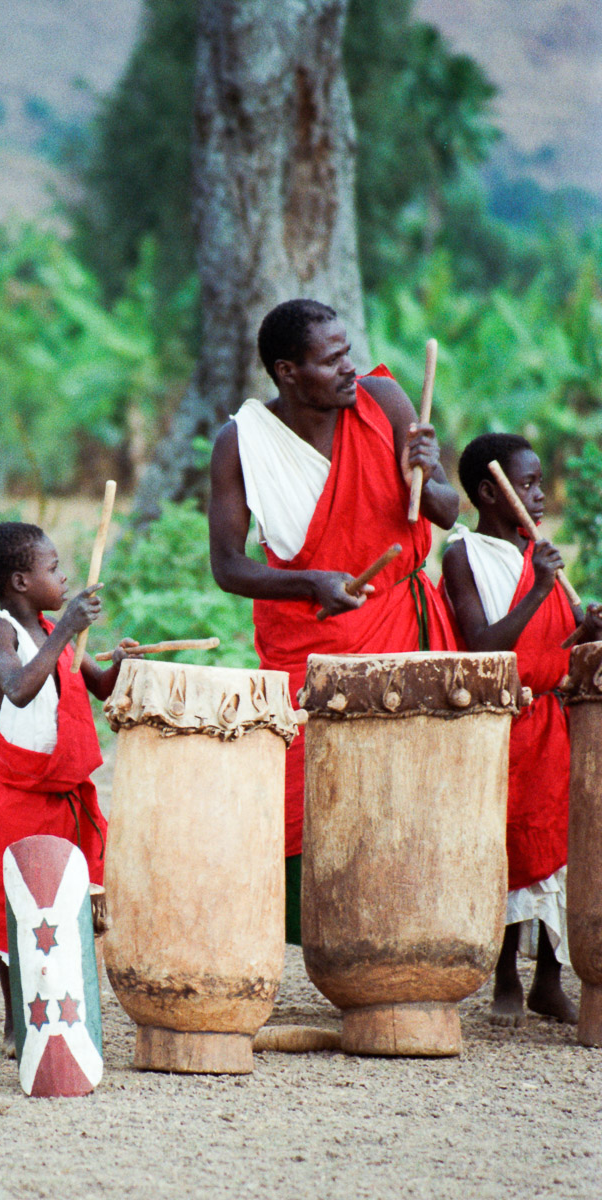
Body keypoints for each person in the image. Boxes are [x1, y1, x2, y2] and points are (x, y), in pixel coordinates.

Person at [208, 298, 459, 942]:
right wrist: (307, 582)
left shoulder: (386, 400)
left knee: (407, 790)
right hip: (308, 641)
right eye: (331, 361)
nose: (350, 370)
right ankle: (321, 935)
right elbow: (228, 568)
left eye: (348, 352)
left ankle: (403, 937)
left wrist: (429, 476)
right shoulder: (244, 442)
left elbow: (448, 513)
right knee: (306, 794)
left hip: (402, 630)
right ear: (287, 372)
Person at [0, 521, 135, 1056]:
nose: (65, 575)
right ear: (20, 582)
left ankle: (61, 1006)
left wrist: (120, 663)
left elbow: (93, 683)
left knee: (61, 900)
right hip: (12, 791)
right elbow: (18, 689)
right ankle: (16, 1021)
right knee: (12, 904)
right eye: (52, 568)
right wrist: (62, 633)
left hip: (58, 790)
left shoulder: (55, 629)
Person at [440, 433, 602, 1025]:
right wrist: (538, 586)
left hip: (553, 723)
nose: (538, 496)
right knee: (508, 843)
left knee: (558, 846)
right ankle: (505, 973)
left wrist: (584, 636)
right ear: (490, 491)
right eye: (527, 484)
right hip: (502, 722)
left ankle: (548, 979)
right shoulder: (464, 554)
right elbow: (484, 646)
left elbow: (552, 648)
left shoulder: (542, 555)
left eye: (537, 484)